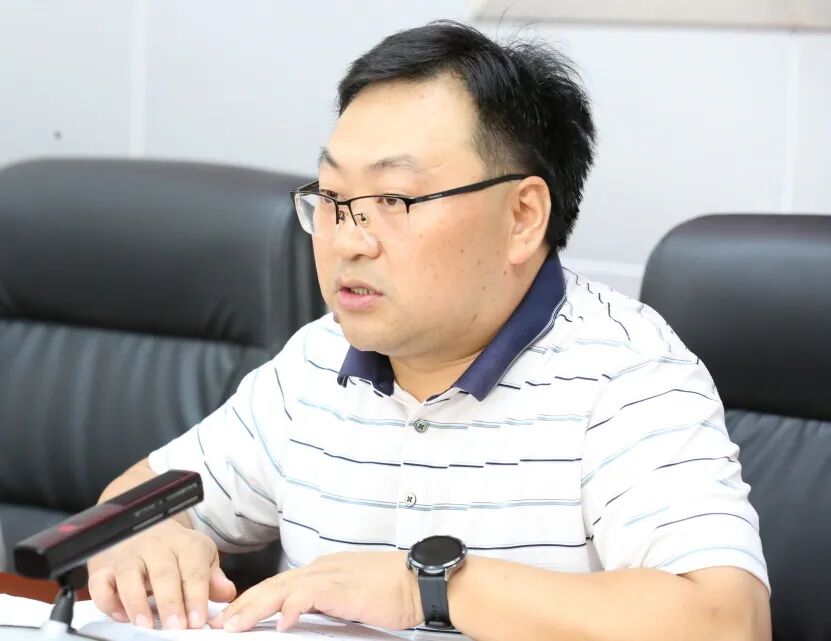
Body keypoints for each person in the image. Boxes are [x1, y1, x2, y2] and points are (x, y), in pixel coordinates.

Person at [88, 21, 771, 641]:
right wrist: (138, 538)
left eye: (393, 199)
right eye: (332, 198)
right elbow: (140, 496)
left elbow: (727, 622)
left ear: (522, 217)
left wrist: (424, 587)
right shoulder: (319, 358)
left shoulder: (626, 373)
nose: (347, 240)